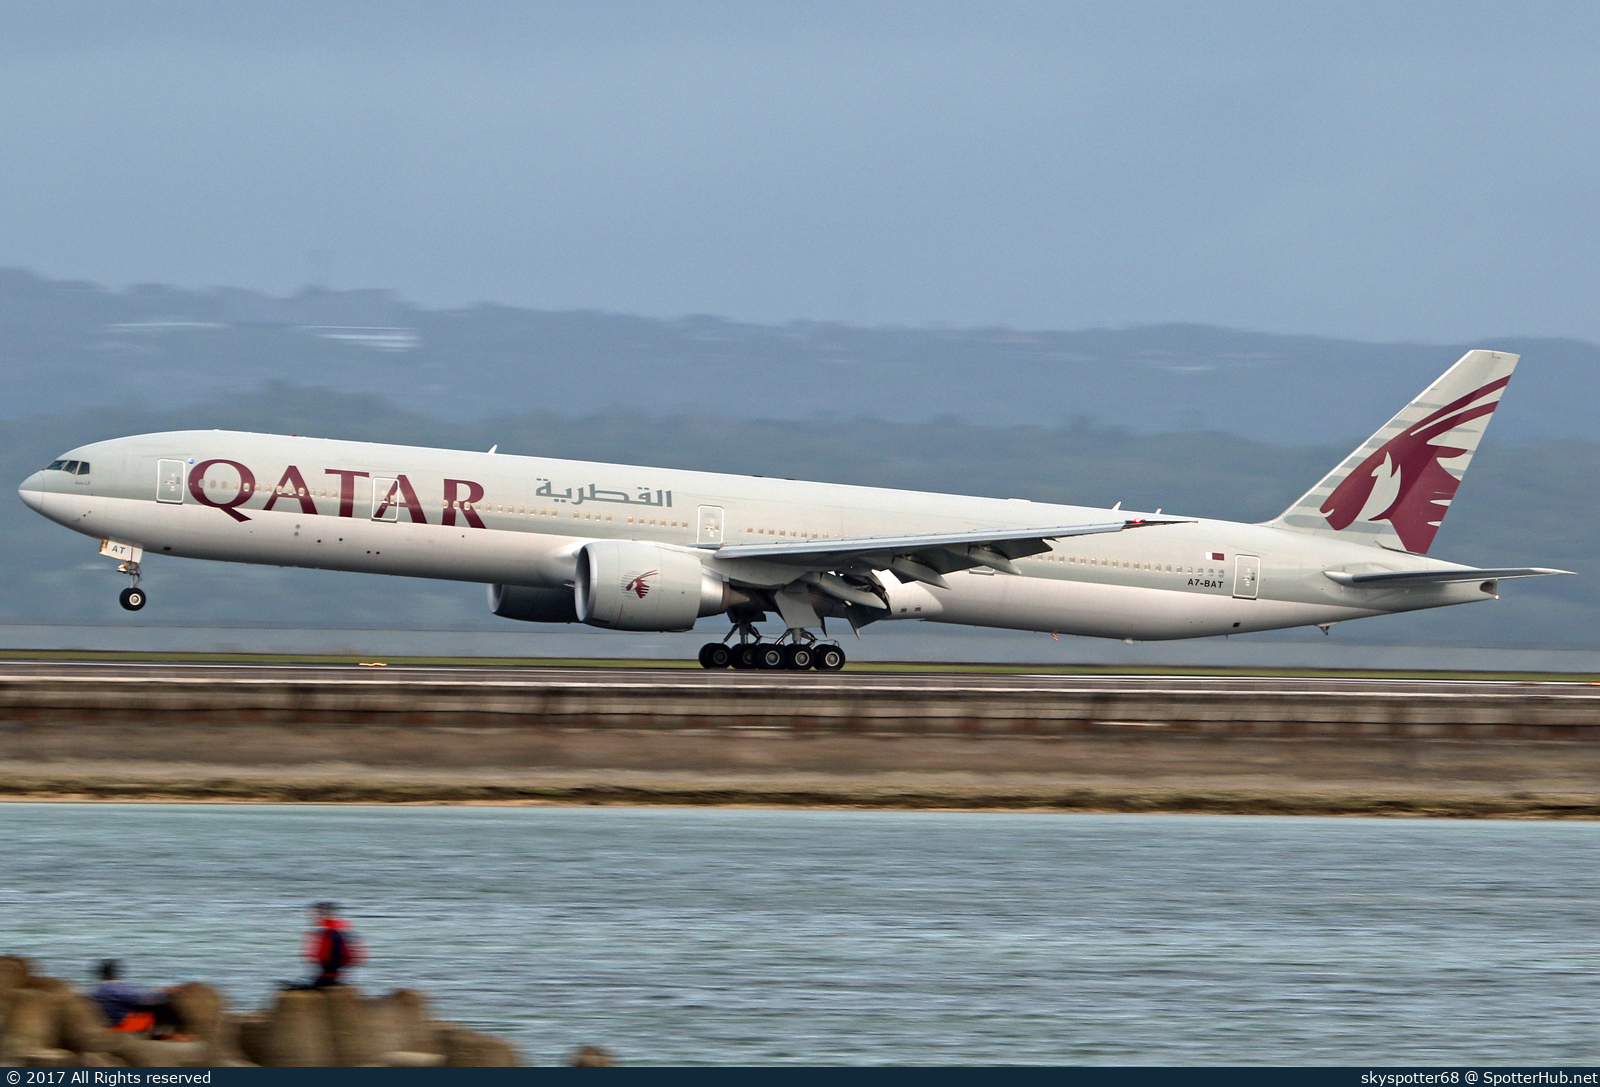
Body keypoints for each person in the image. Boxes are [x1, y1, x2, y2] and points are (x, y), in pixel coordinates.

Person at [90, 960, 181, 1036]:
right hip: (125, 1026)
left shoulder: (97, 990)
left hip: (109, 1023)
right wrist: (165, 993)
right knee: (163, 1005)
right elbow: (140, 999)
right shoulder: (115, 987)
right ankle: (169, 1033)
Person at [302, 901, 365, 988]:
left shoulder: (326, 931)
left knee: (313, 986)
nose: (311, 917)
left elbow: (323, 955)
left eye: (313, 915)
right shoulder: (342, 927)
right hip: (341, 969)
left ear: (320, 915)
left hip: (329, 969)